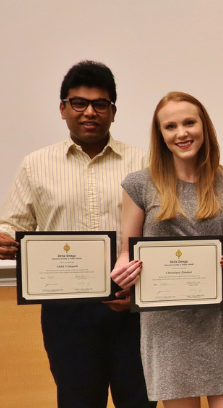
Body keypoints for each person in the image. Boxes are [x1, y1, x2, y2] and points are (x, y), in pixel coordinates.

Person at [0, 60, 153, 408]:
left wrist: (139, 295)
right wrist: (3, 238)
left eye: (100, 104)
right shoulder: (34, 164)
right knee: (77, 401)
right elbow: (13, 225)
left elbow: (162, 231)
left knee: (140, 401)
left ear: (113, 111)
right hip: (66, 311)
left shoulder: (145, 163)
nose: (89, 112)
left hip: (132, 306)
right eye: (78, 103)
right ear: (63, 109)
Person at [110, 92, 223, 407]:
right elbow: (126, 252)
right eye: (170, 126)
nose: (181, 133)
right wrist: (121, 273)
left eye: (189, 122)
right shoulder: (139, 184)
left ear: (205, 126)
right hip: (167, 326)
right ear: (161, 135)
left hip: (219, 323)